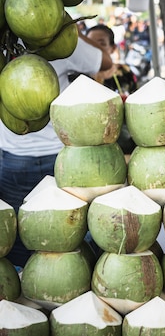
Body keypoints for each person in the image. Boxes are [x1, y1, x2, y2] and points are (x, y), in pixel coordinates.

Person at [0, 30, 113, 268]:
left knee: (20, 239)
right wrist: (72, 30)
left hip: (14, 158)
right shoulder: (55, 38)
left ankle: (26, 299)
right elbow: (105, 59)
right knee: (66, 239)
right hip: (58, 157)